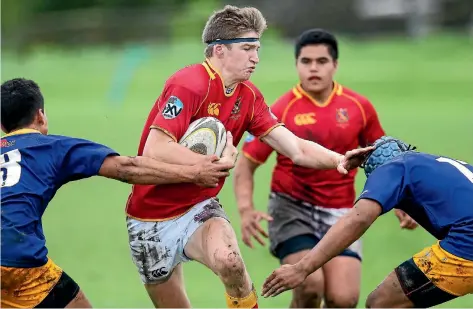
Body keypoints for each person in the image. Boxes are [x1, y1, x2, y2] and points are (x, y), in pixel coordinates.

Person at [124, 5, 375, 309]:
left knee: (231, 263)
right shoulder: (189, 84)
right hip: (148, 218)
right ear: (219, 51)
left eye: (257, 48)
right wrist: (209, 165)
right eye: (247, 48)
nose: (256, 57)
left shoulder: (249, 96)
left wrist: (341, 159)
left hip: (199, 208)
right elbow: (156, 148)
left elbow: (295, 147)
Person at [0, 77, 236, 309]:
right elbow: (127, 168)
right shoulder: (52, 147)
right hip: (17, 259)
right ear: (40, 115)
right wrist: (195, 173)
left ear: (2, 126)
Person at [234, 28, 388, 308]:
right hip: (292, 208)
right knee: (309, 285)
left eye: (321, 61)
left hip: (342, 211)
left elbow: (384, 160)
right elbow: (247, 162)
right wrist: (245, 210)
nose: (313, 68)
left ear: (335, 65)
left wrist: (402, 203)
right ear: (297, 65)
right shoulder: (280, 109)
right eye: (306, 62)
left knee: (344, 298)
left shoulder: (358, 107)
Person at [261, 136, 473, 308]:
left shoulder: (393, 168)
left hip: (466, 247)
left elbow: (358, 219)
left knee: (381, 303)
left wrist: (302, 268)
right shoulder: (438, 164)